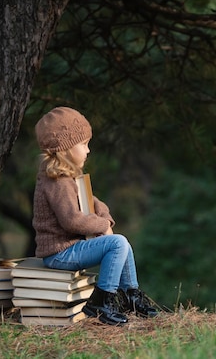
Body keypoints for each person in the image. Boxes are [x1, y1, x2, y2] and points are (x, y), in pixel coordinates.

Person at [32, 106, 158, 325]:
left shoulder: (68, 178)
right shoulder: (57, 182)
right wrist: (102, 226)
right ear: (66, 147)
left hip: (67, 249)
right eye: (84, 144)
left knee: (122, 243)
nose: (88, 150)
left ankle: (131, 297)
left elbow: (94, 203)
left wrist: (104, 219)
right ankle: (102, 301)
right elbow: (71, 220)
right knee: (117, 243)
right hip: (59, 254)